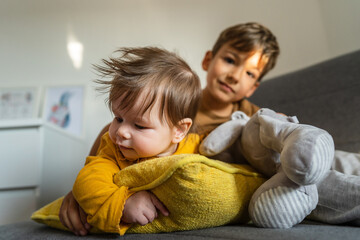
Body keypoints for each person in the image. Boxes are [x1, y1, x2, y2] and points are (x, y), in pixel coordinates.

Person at [60, 22, 280, 236]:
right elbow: (103, 155)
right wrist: (82, 192)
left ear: (253, 87)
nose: (235, 75)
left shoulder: (254, 120)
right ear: (208, 60)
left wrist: (281, 128)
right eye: (230, 60)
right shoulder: (168, 97)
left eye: (250, 74)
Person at [69, 46, 203, 235]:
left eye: (139, 126)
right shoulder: (113, 151)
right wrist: (124, 203)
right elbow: (87, 181)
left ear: (179, 131)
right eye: (118, 118)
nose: (121, 131)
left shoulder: (195, 146)